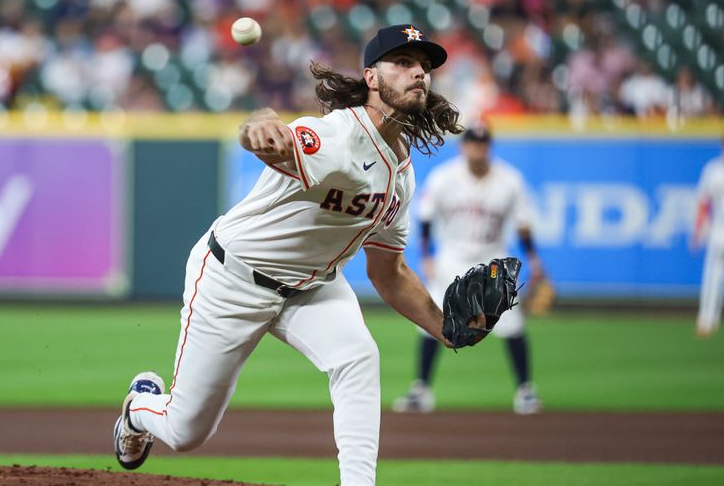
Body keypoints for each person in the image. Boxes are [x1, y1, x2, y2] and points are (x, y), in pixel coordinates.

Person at [113, 24, 469, 485]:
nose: (418, 72)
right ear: (372, 78)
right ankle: (139, 408)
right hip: (234, 278)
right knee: (185, 431)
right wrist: (258, 126)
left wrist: (447, 329)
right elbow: (273, 136)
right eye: (402, 62)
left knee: (358, 357)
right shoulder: (337, 137)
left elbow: (390, 273)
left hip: (313, 287)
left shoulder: (401, 173)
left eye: (423, 66)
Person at [392, 122, 546, 415]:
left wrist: (535, 259)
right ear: (464, 147)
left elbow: (523, 225)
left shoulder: (510, 180)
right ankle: (421, 389)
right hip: (452, 258)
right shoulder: (444, 178)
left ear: (489, 147)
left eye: (483, 143)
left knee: (512, 324)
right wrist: (426, 256)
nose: (478, 148)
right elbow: (425, 220)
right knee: (430, 317)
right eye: (473, 143)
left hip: (493, 261)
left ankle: (525, 390)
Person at [693, 139, 724, 338]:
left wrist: (698, 232)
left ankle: (707, 320)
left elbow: (703, 203)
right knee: (714, 277)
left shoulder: (713, 169)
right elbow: (703, 204)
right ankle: (707, 320)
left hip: (719, 232)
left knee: (713, 277)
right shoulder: (713, 169)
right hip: (718, 230)